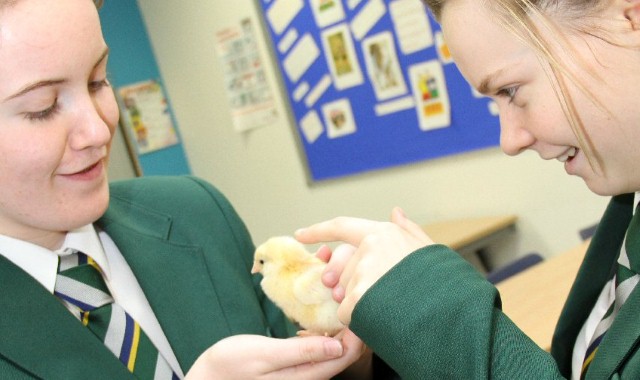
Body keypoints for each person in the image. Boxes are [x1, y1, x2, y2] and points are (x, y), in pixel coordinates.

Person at [0, 0, 375, 378]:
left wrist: (350, 348)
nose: (99, 130)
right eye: (42, 107)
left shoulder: (197, 213)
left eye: (98, 80)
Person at [295, 0, 640, 378]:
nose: (509, 140)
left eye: (510, 90)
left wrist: (437, 312)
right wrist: (393, 347)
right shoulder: (627, 208)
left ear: (631, 20)